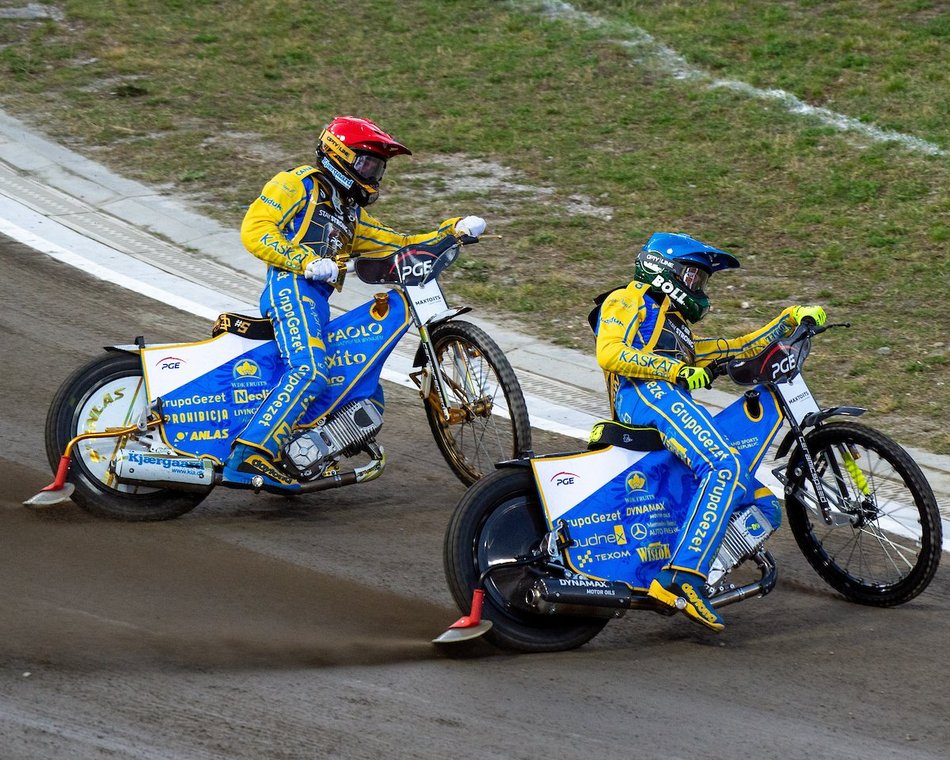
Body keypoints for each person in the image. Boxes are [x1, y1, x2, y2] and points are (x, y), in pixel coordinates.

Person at [222, 115, 486, 490]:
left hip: (315, 300)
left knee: (362, 390)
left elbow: (402, 242)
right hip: (290, 287)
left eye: (378, 167)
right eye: (367, 164)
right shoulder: (296, 183)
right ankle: (250, 456)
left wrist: (452, 230)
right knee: (311, 370)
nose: (374, 174)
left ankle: (302, 456)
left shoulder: (351, 215)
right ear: (338, 155)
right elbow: (255, 228)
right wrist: (306, 261)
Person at [591, 232, 826, 631]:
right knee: (725, 465)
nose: (698, 287)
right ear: (663, 269)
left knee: (761, 502)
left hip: (666, 394)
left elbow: (737, 347)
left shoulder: (677, 327)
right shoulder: (628, 298)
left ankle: (699, 562)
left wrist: (788, 320)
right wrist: (675, 371)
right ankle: (683, 577)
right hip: (645, 394)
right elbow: (608, 352)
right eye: (693, 276)